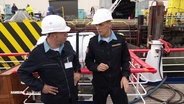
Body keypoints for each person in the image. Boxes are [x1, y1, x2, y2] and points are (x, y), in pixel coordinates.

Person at [18, 15, 81, 104]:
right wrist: (41, 87)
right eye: (64, 33)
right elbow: (22, 72)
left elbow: (74, 59)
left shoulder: (67, 45)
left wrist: (77, 71)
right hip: (53, 100)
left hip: (72, 98)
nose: (67, 35)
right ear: (53, 36)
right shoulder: (37, 54)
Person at [85, 8, 131, 104]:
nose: (98, 28)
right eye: (96, 25)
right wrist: (96, 67)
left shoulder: (120, 40)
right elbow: (88, 62)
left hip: (117, 83)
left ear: (109, 24)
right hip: (99, 83)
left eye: (101, 24)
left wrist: (125, 76)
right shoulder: (93, 42)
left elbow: (126, 60)